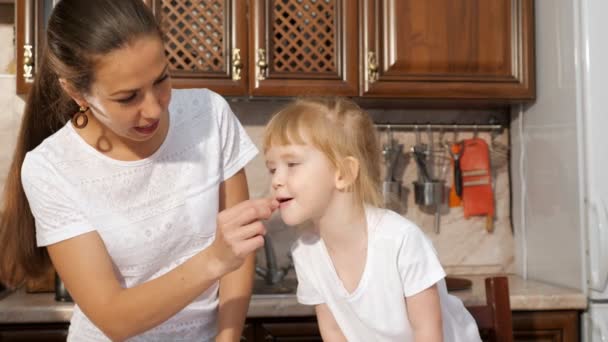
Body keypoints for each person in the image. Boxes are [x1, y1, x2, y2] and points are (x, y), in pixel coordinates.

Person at [0, 0, 277, 341]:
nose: (153, 109)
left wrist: (227, 338)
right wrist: (214, 260)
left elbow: (240, 247)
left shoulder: (209, 115)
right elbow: (115, 318)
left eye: (161, 79)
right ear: (77, 93)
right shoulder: (50, 168)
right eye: (128, 97)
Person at [263, 97, 482, 342]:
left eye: (292, 164)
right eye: (272, 168)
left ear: (343, 173)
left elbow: (428, 332)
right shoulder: (306, 253)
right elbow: (335, 333)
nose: (276, 180)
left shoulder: (400, 240)